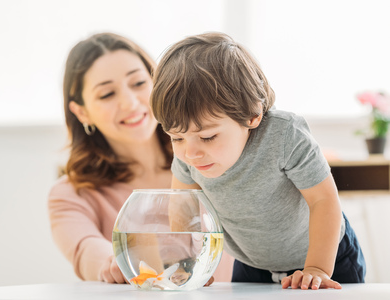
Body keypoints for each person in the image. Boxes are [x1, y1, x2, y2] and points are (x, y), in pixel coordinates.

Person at [150, 32, 366, 290]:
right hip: (253, 264)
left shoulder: (285, 135)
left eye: (207, 137)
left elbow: (324, 200)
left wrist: (316, 269)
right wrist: (188, 264)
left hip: (327, 258)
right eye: (176, 137)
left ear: (252, 113)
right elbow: (182, 209)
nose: (190, 153)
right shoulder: (190, 152)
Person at [47, 32, 234, 284]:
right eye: (107, 94)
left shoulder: (209, 162)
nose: (130, 103)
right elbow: (87, 252)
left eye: (138, 84)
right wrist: (113, 263)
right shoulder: (71, 195)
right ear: (82, 112)